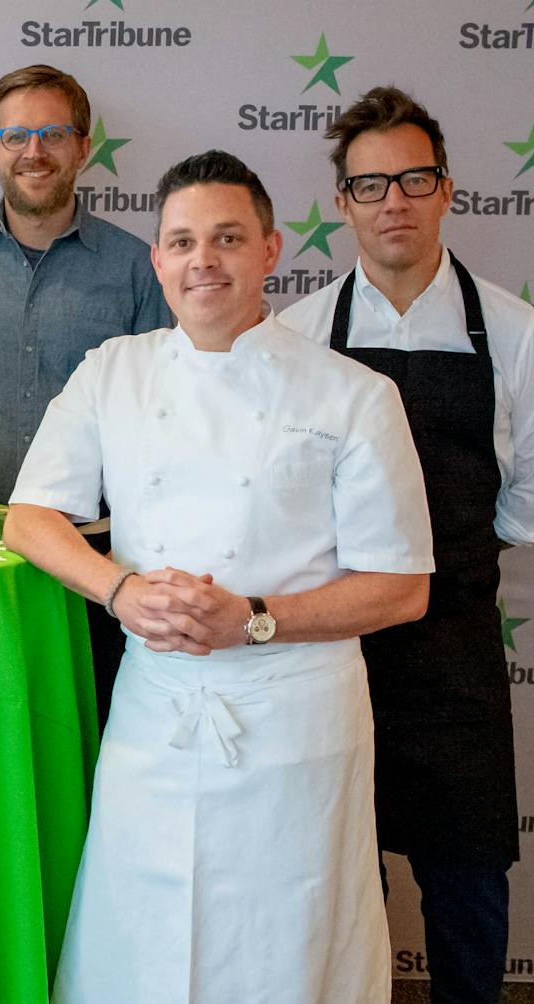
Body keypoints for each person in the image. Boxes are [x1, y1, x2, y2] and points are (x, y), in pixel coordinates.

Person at [6, 150, 434, 1003]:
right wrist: (120, 591)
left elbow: (401, 587)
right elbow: (31, 517)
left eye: (228, 238)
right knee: (141, 930)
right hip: (156, 712)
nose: (204, 260)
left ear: (271, 250)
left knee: (289, 937)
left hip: (294, 722)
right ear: (157, 260)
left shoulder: (355, 395)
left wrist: (255, 619)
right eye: (183, 241)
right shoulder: (113, 371)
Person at [281, 86, 534, 1004]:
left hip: (459, 652)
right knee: (339, 872)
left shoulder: (513, 333)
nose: (395, 200)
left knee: (467, 883)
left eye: (414, 179)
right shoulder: (298, 337)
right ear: (342, 204)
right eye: (371, 183)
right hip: (333, 645)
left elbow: (528, 501)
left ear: (447, 191)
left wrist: (450, 563)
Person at [0, 64, 170, 727]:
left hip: (97, 560)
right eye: (16, 135)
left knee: (87, 740)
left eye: (53, 133)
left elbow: (163, 419)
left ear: (84, 147)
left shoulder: (140, 267)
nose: (34, 151)